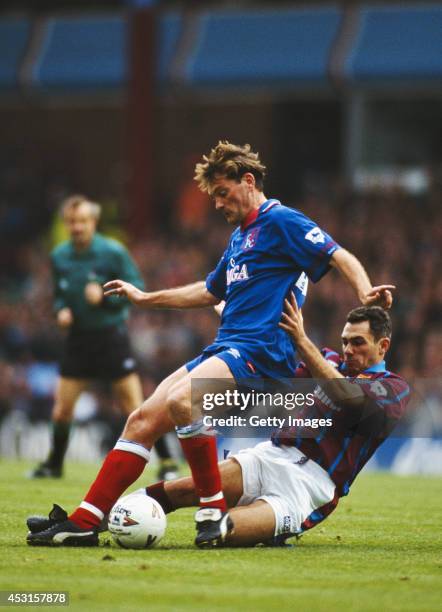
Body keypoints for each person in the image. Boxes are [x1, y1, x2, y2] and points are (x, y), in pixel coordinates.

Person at [26, 141, 395, 548]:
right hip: (228, 346)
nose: (217, 204)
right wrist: (146, 298)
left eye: (223, 192)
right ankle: (83, 522)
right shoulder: (240, 239)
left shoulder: (281, 221)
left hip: (261, 352)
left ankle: (213, 509)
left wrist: (364, 290)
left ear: (248, 181)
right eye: (213, 196)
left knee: (183, 402)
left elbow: (337, 254)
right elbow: (207, 290)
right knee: (142, 419)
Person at [140, 303, 410, 546]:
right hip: (271, 455)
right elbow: (276, 364)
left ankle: (260, 527)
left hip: (310, 483)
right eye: (345, 342)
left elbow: (348, 397)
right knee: (181, 490)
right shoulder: (328, 362)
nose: (349, 350)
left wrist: (302, 340)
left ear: (382, 346)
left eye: (358, 342)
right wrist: (245, 324)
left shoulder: (392, 387)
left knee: (219, 530)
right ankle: (109, 512)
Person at [29, 195, 178, 481]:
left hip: (110, 337)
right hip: (78, 341)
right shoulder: (60, 255)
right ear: (66, 223)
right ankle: (54, 464)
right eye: (72, 222)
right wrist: (61, 311)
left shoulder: (112, 252)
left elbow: (138, 288)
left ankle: (168, 462)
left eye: (82, 221)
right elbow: (60, 295)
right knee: (62, 409)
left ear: (93, 222)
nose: (77, 227)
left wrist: (105, 299)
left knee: (136, 408)